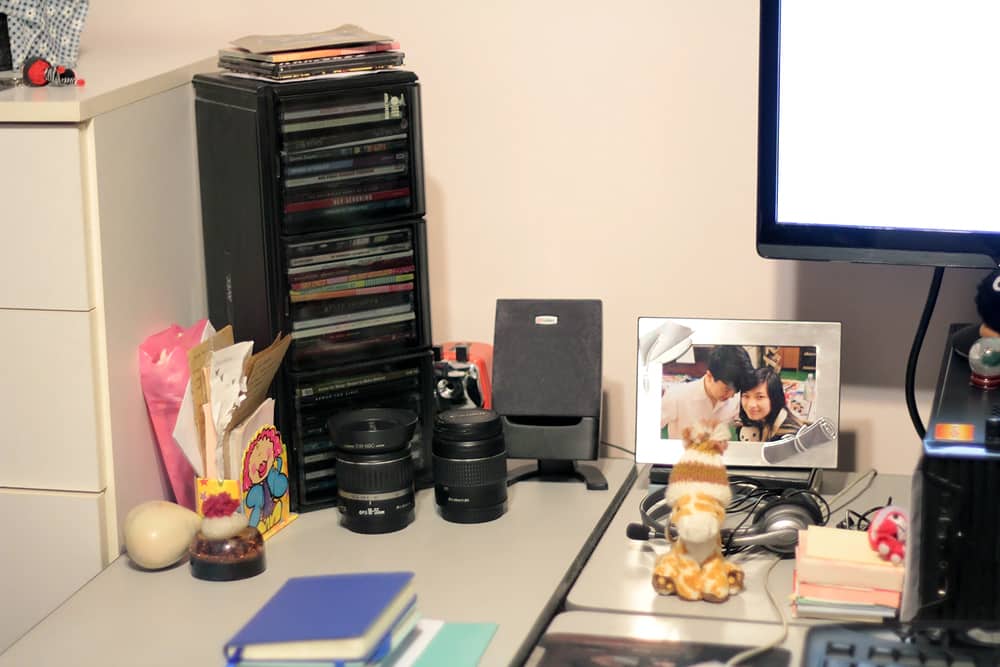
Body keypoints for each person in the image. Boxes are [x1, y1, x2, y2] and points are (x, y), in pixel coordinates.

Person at [660, 345, 754, 438]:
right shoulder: (677, 396)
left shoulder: (736, 399)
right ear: (709, 376)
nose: (731, 396)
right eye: (727, 389)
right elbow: (648, 428)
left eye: (736, 391)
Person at [737, 366, 803, 442]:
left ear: (774, 398)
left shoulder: (788, 436)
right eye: (746, 396)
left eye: (760, 397)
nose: (751, 405)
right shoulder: (749, 423)